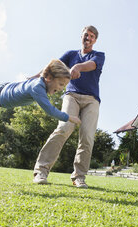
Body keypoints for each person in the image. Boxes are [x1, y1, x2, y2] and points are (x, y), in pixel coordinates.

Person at [32, 25, 105, 188]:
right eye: (86, 34)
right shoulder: (71, 55)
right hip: (72, 96)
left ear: (95, 40)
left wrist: (78, 67)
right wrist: (34, 78)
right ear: (82, 36)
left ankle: (79, 177)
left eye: (92, 36)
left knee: (87, 136)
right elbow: (50, 68)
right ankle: (41, 171)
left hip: (91, 100)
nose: (89, 37)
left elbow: (92, 65)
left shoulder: (99, 55)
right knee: (64, 128)